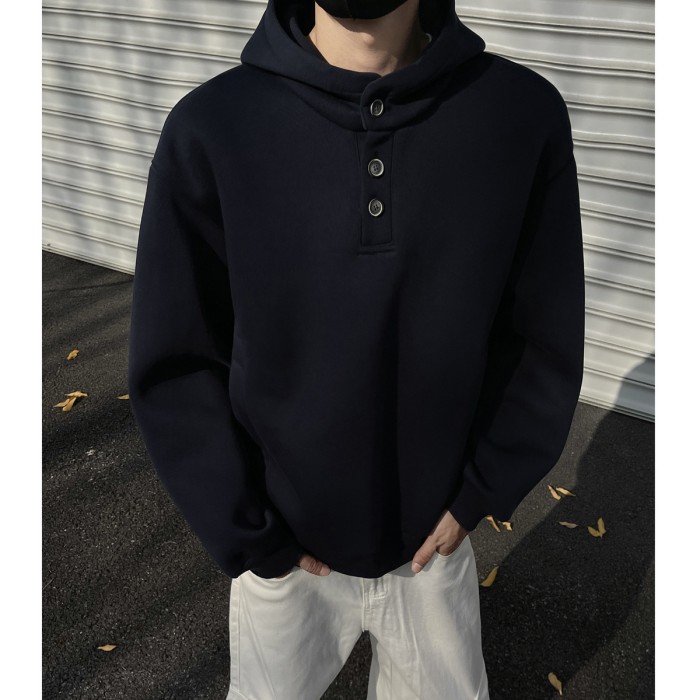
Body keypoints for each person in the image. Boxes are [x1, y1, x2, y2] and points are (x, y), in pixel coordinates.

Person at [127, 0, 585, 697]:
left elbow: (541, 331)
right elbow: (176, 354)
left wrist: (481, 492)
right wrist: (249, 530)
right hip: (282, 550)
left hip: (437, 545)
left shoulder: (517, 115)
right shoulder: (214, 126)